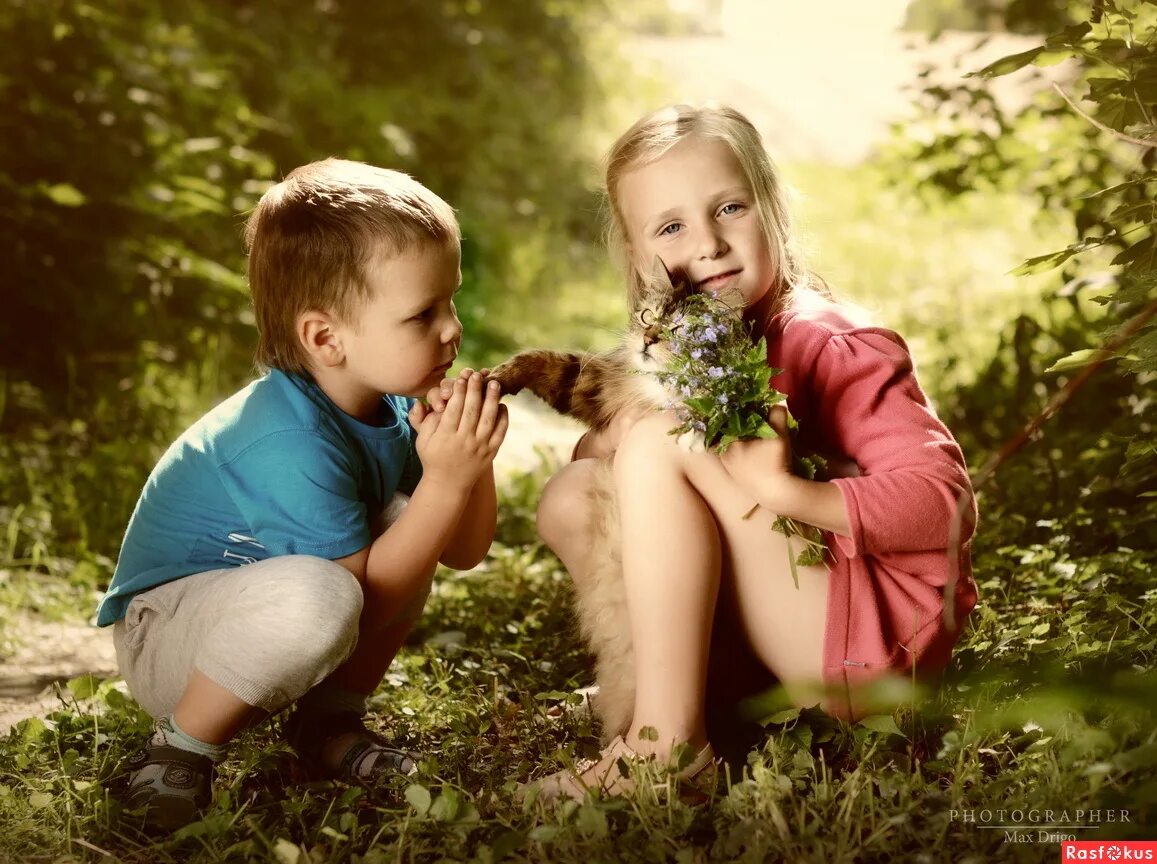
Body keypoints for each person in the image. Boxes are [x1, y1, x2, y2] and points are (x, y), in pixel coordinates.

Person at [529, 104, 978, 801]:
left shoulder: (831, 344)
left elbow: (943, 506)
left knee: (657, 442)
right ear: (636, 252)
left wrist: (786, 492)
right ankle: (667, 691)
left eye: (729, 207)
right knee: (575, 493)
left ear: (771, 208)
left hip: (869, 651)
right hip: (793, 630)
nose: (707, 243)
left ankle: (666, 753)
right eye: (671, 227)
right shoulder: (695, 345)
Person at [95, 158, 508, 831]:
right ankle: (179, 749)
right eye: (422, 314)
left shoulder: (391, 406)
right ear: (325, 337)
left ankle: (327, 725)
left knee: (408, 517)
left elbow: (459, 550)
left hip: (265, 612)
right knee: (348, 576)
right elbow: (360, 601)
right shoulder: (285, 437)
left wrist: (469, 462)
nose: (452, 329)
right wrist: (448, 482)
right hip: (169, 635)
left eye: (450, 301)